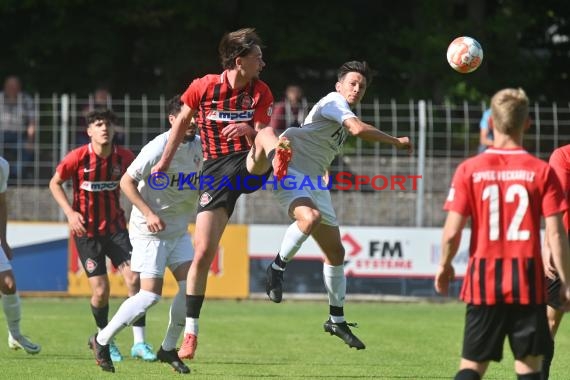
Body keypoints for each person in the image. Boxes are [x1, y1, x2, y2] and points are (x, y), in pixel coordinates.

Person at [151, 27, 291, 361]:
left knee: (266, 134)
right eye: (258, 58)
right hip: (214, 174)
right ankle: (191, 335)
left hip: (248, 162)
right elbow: (181, 125)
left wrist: (250, 131)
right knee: (201, 255)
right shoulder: (203, 86)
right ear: (240, 61)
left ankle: (280, 157)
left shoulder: (261, 91)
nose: (263, 63)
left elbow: (259, 129)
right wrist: (163, 164)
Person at [265, 61, 412, 350]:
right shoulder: (334, 102)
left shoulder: (341, 110)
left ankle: (336, 319)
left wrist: (323, 171)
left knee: (336, 252)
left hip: (314, 180)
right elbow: (357, 130)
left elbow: (322, 144)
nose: (357, 88)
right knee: (310, 219)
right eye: (352, 83)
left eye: (362, 86)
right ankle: (275, 269)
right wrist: (395, 141)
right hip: (290, 168)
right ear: (339, 86)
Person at [434, 88, 570, 380]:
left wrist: (445, 266)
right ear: (527, 123)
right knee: (529, 369)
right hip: (528, 283)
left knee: (471, 367)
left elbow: (451, 233)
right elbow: (557, 234)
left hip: (483, 283)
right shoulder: (541, 171)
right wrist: (566, 281)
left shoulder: (469, 169)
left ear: (491, 124)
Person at [88, 96, 202, 373]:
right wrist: (149, 213)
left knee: (192, 287)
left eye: (196, 116)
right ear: (172, 120)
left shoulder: (201, 146)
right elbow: (127, 182)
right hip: (149, 231)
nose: (194, 121)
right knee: (150, 296)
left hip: (178, 231)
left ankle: (167, 348)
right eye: (188, 117)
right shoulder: (159, 146)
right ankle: (101, 339)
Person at [49, 109, 150, 366]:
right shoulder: (78, 157)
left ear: (113, 130)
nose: (103, 128)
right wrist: (70, 213)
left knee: (135, 279)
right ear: (89, 131)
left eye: (107, 124)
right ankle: (105, 339)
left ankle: (139, 342)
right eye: (97, 124)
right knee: (101, 290)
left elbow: (144, 176)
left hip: (116, 229)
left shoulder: (124, 157)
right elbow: (54, 183)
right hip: (87, 234)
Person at [0, 156, 41, 354]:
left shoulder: (1, 165)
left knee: (8, 284)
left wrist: (3, 240)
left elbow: (1, 203)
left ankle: (15, 335)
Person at [540, 143, 570, 380]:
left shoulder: (563, 155)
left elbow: (556, 201)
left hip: (565, 246)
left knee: (548, 323)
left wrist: (550, 242)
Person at [0, 75, 36, 180]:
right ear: (4, 87)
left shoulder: (26, 100)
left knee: (28, 149)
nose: (12, 88)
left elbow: (32, 122)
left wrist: (30, 140)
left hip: (19, 135)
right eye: (9, 86)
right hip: (1, 134)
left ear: (19, 87)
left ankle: (15, 175)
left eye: (14, 86)